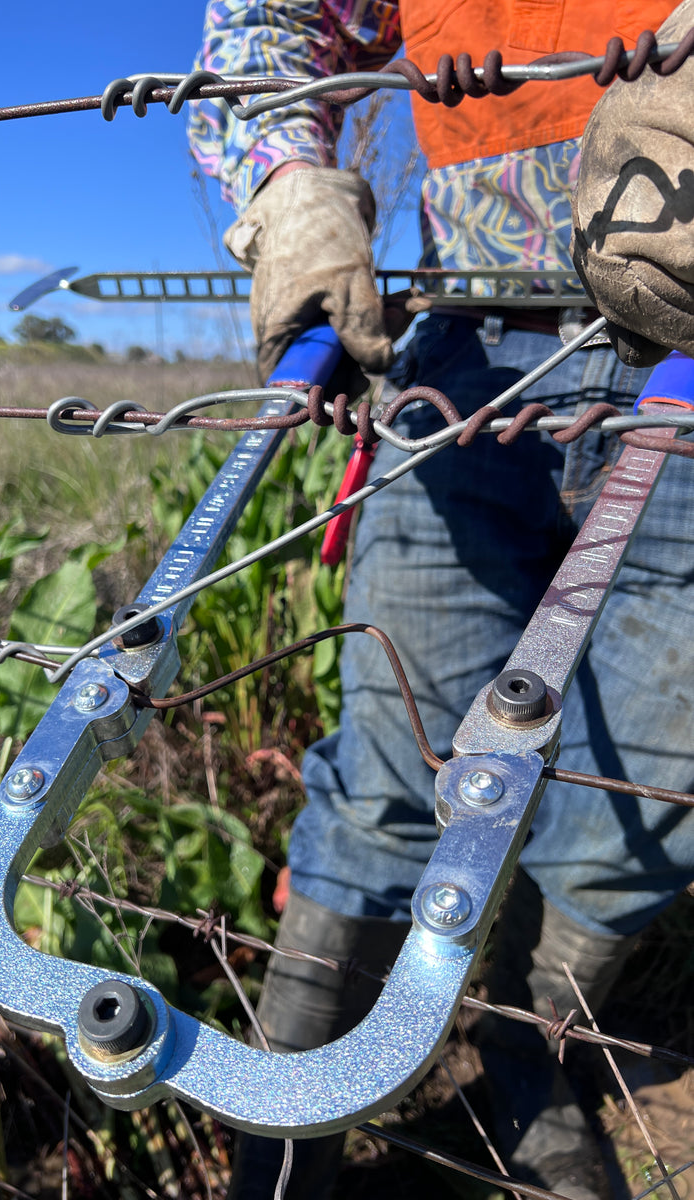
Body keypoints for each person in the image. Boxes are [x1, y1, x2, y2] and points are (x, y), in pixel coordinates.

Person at [188, 3, 694, 1198]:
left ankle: (525, 1057)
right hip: (460, 351)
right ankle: (291, 1114)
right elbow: (270, 27)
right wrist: (286, 178)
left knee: (656, 784)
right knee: (389, 771)